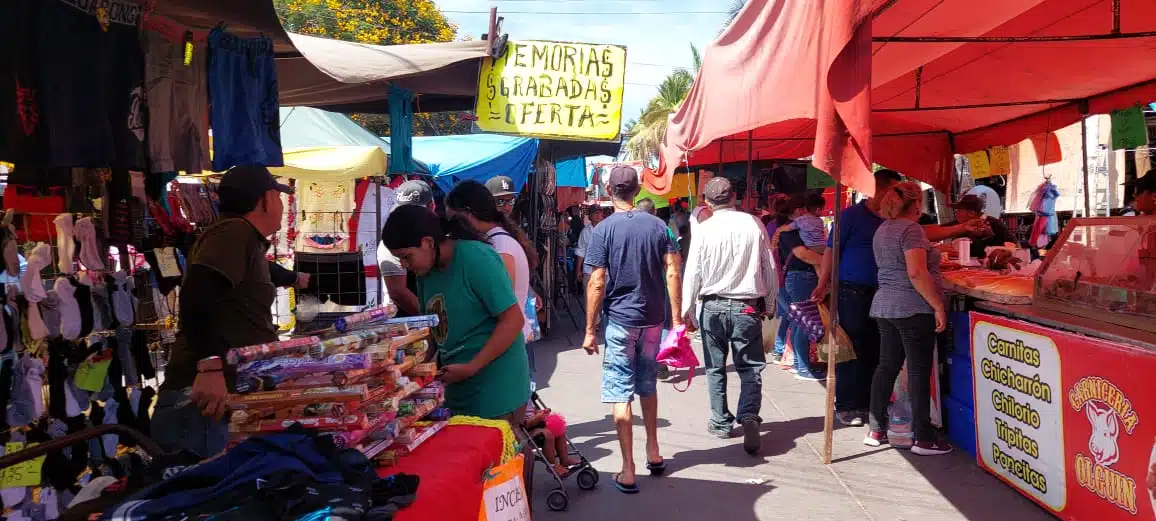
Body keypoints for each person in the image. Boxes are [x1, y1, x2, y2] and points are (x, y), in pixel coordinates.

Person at [812, 171, 993, 425]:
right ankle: (847, 404)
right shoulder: (851, 216)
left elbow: (921, 233)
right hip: (852, 290)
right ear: (882, 190)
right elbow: (832, 250)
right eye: (896, 190)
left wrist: (961, 228)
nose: (899, 196)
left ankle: (870, 405)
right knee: (851, 348)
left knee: (878, 353)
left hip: (883, 294)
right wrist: (823, 283)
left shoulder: (896, 222)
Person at [154, 165, 292, 457]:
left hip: (217, 394)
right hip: (204, 396)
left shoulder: (238, 237)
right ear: (266, 199)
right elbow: (197, 295)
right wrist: (210, 365)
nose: (282, 206)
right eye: (279, 197)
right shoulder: (234, 232)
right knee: (197, 491)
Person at [582, 165, 682, 494]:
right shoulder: (660, 227)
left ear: (610, 192)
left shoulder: (603, 230)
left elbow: (597, 281)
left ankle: (628, 470)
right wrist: (677, 319)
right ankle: (653, 451)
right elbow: (673, 272)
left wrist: (589, 328)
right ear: (638, 190)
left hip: (621, 322)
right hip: (653, 319)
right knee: (647, 383)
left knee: (620, 389)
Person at [381, 204, 529, 422]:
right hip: (457, 388)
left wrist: (472, 366)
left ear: (428, 243)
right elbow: (434, 329)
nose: (403, 265)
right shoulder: (425, 273)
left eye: (406, 256)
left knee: (501, 450)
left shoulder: (476, 258)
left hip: (496, 388)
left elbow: (513, 320)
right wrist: (409, 364)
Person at [681, 178, 775, 453]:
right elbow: (768, 267)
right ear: (734, 196)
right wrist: (770, 303)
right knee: (750, 367)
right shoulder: (753, 224)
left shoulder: (704, 229)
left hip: (711, 307)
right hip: (746, 306)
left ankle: (721, 422)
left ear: (707, 203)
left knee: (715, 367)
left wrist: (688, 309)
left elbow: (693, 272)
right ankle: (748, 415)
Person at [865, 181, 953, 456]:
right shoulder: (911, 229)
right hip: (912, 307)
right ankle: (923, 438)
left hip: (885, 306)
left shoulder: (883, 229)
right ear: (916, 204)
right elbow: (916, 273)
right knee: (917, 371)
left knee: (886, 366)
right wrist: (938, 305)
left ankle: (876, 428)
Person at [445, 179, 539, 384]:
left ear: (467, 214)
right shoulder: (498, 242)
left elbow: (504, 307)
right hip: (506, 345)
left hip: (505, 348)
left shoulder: (499, 246)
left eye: (453, 220)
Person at [378, 180, 436, 316]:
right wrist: (435, 319)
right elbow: (398, 292)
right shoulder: (392, 241)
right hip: (409, 324)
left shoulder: (438, 235)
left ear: (431, 206)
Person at [945, 194, 1017, 259]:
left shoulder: (994, 223)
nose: (956, 213)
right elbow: (940, 230)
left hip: (988, 266)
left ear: (971, 213)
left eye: (959, 210)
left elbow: (1013, 245)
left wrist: (990, 236)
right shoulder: (957, 223)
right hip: (961, 263)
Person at [523, 401, 580, 477]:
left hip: (537, 423)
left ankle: (564, 459)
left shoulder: (527, 397)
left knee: (559, 428)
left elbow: (533, 410)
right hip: (525, 430)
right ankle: (552, 465)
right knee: (548, 434)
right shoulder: (515, 402)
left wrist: (540, 412)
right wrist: (535, 419)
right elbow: (520, 423)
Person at [574, 205, 605, 286]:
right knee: (589, 297)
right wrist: (578, 270)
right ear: (590, 216)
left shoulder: (608, 230)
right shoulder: (585, 232)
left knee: (604, 297)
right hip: (589, 271)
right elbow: (581, 251)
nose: (598, 215)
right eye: (595, 213)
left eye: (599, 213)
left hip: (605, 272)